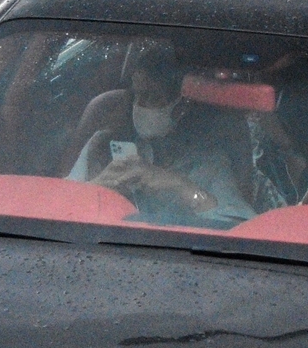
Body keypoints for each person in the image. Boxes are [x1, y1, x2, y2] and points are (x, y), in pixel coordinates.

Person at [68, 45, 254, 224]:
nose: (143, 106)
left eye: (154, 98)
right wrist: (97, 187)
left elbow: (239, 226)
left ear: (180, 106)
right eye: (139, 97)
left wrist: (181, 186)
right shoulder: (102, 145)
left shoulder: (208, 163)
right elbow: (62, 204)